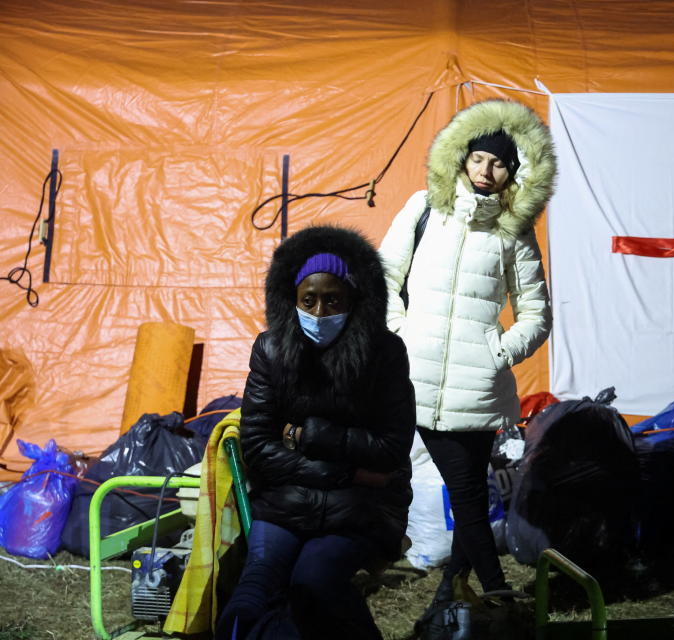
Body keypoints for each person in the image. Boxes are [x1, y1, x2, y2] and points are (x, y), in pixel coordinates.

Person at [379, 99, 556, 609]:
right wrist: (398, 330)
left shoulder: (514, 234)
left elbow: (536, 315)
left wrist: (495, 354)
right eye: (479, 158)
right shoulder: (422, 209)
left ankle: (472, 590)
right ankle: (477, 588)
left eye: (499, 163)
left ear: (513, 172)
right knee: (457, 492)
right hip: (415, 375)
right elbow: (385, 276)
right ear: (461, 157)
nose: (486, 170)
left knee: (468, 495)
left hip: (476, 389)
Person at [217, 225, 416, 640]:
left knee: (313, 582)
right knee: (249, 597)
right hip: (287, 504)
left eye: (333, 300)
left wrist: (312, 435)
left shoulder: (384, 354)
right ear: (291, 299)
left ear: (354, 300)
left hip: (362, 509)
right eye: (309, 301)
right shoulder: (270, 350)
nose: (320, 313)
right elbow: (257, 443)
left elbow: (392, 448)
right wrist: (340, 470)